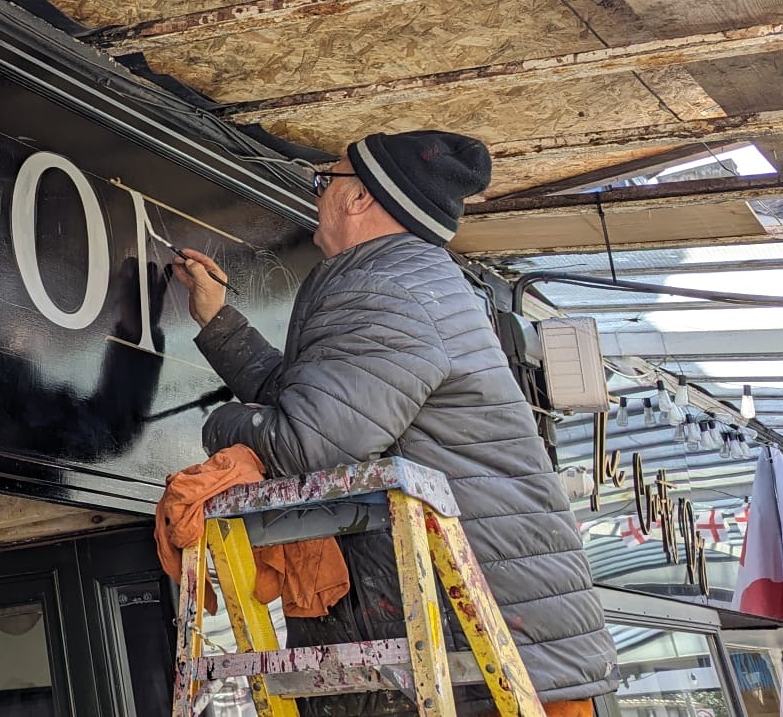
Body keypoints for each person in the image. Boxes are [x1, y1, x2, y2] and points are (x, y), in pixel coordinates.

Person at [170, 130, 615, 716]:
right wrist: (220, 324)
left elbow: (308, 443)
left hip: (484, 654)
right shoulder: (407, 281)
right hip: (499, 649)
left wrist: (218, 427)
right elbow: (325, 409)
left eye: (323, 182)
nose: (317, 197)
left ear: (358, 199)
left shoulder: (385, 290)